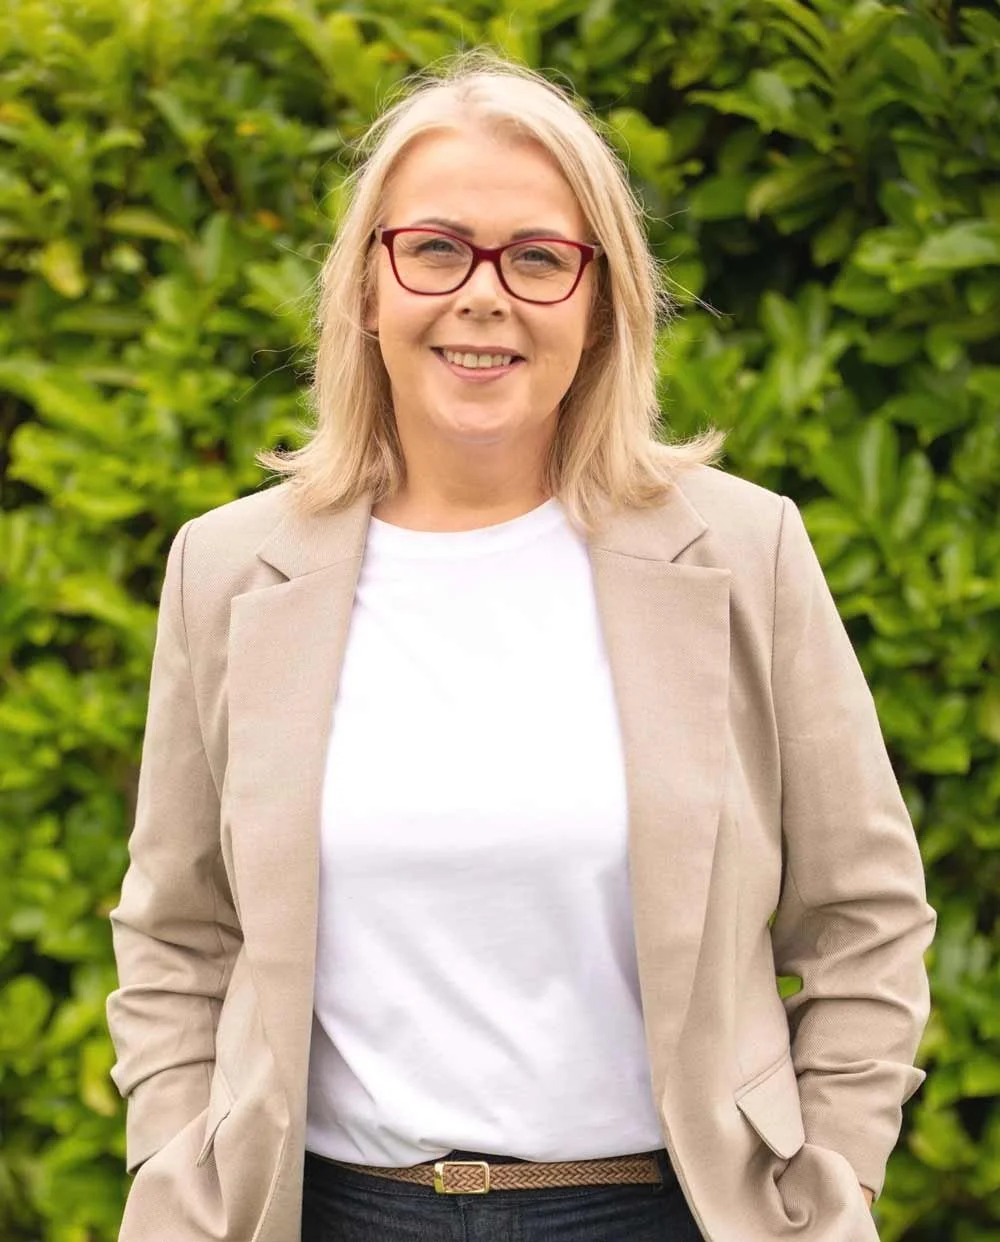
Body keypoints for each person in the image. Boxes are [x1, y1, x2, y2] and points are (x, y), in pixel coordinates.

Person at [106, 49, 935, 1242]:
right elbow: (177, 933)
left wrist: (835, 1178)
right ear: (367, 288)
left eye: (539, 258)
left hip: (665, 1212)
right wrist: (177, 1168)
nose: (482, 295)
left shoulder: (742, 551)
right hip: (324, 1213)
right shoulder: (231, 569)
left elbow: (865, 916)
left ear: (601, 305)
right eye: (436, 249)